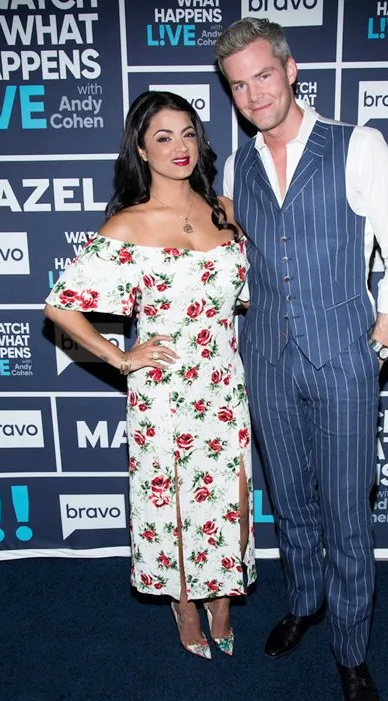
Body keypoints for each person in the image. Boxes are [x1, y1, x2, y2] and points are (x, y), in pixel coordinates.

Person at [215, 18, 388, 701]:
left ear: (291, 70)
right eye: (239, 86)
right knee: (291, 499)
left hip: (344, 359)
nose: (254, 95)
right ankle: (306, 602)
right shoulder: (237, 164)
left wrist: (379, 345)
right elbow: (244, 261)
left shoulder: (357, 145)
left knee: (346, 512)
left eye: (263, 76)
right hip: (266, 359)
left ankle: (352, 652)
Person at [44, 90, 256, 660]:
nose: (179, 147)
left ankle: (222, 596)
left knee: (231, 496)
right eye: (163, 137)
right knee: (173, 502)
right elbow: (60, 306)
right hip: (164, 390)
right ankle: (183, 602)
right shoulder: (129, 225)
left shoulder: (225, 211)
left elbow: (246, 297)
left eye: (188, 133)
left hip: (224, 381)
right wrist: (121, 357)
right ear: (141, 149)